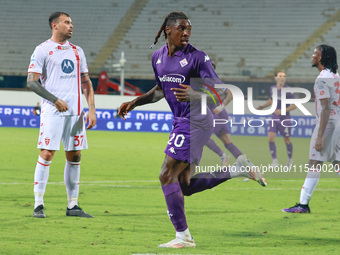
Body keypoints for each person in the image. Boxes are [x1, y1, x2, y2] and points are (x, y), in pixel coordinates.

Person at [118, 12, 266, 248]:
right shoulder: (157, 57)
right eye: (181, 28)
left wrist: (196, 94)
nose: (186, 33)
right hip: (181, 120)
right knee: (183, 185)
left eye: (189, 29)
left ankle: (183, 237)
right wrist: (135, 102)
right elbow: (160, 90)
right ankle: (236, 171)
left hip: (196, 120)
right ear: (169, 30)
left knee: (166, 174)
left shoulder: (198, 57)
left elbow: (222, 91)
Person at [27, 12, 96, 218]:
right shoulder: (43, 50)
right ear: (55, 25)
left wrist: (91, 108)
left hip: (75, 114)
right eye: (67, 22)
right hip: (52, 112)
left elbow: (86, 82)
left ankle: (72, 205)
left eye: (71, 22)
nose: (71, 25)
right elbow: (31, 81)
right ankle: (38, 204)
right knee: (47, 153)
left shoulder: (77, 51)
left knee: (75, 156)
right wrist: (54, 99)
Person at [283, 45, 339, 213]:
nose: (312, 55)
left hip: (328, 124)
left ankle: (303, 204)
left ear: (321, 58)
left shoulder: (322, 78)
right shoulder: (336, 76)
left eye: (315, 53)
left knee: (315, 162)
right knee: (337, 162)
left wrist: (320, 136)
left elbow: (326, 108)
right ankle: (303, 204)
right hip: (338, 122)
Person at [257, 70, 296, 168]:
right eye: (280, 76)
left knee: (287, 140)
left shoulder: (288, 90)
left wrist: (283, 110)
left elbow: (294, 105)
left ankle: (290, 160)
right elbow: (271, 100)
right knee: (270, 138)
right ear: (276, 78)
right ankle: (275, 162)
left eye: (284, 76)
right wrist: (262, 107)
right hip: (274, 117)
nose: (282, 78)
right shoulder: (272, 88)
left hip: (285, 119)